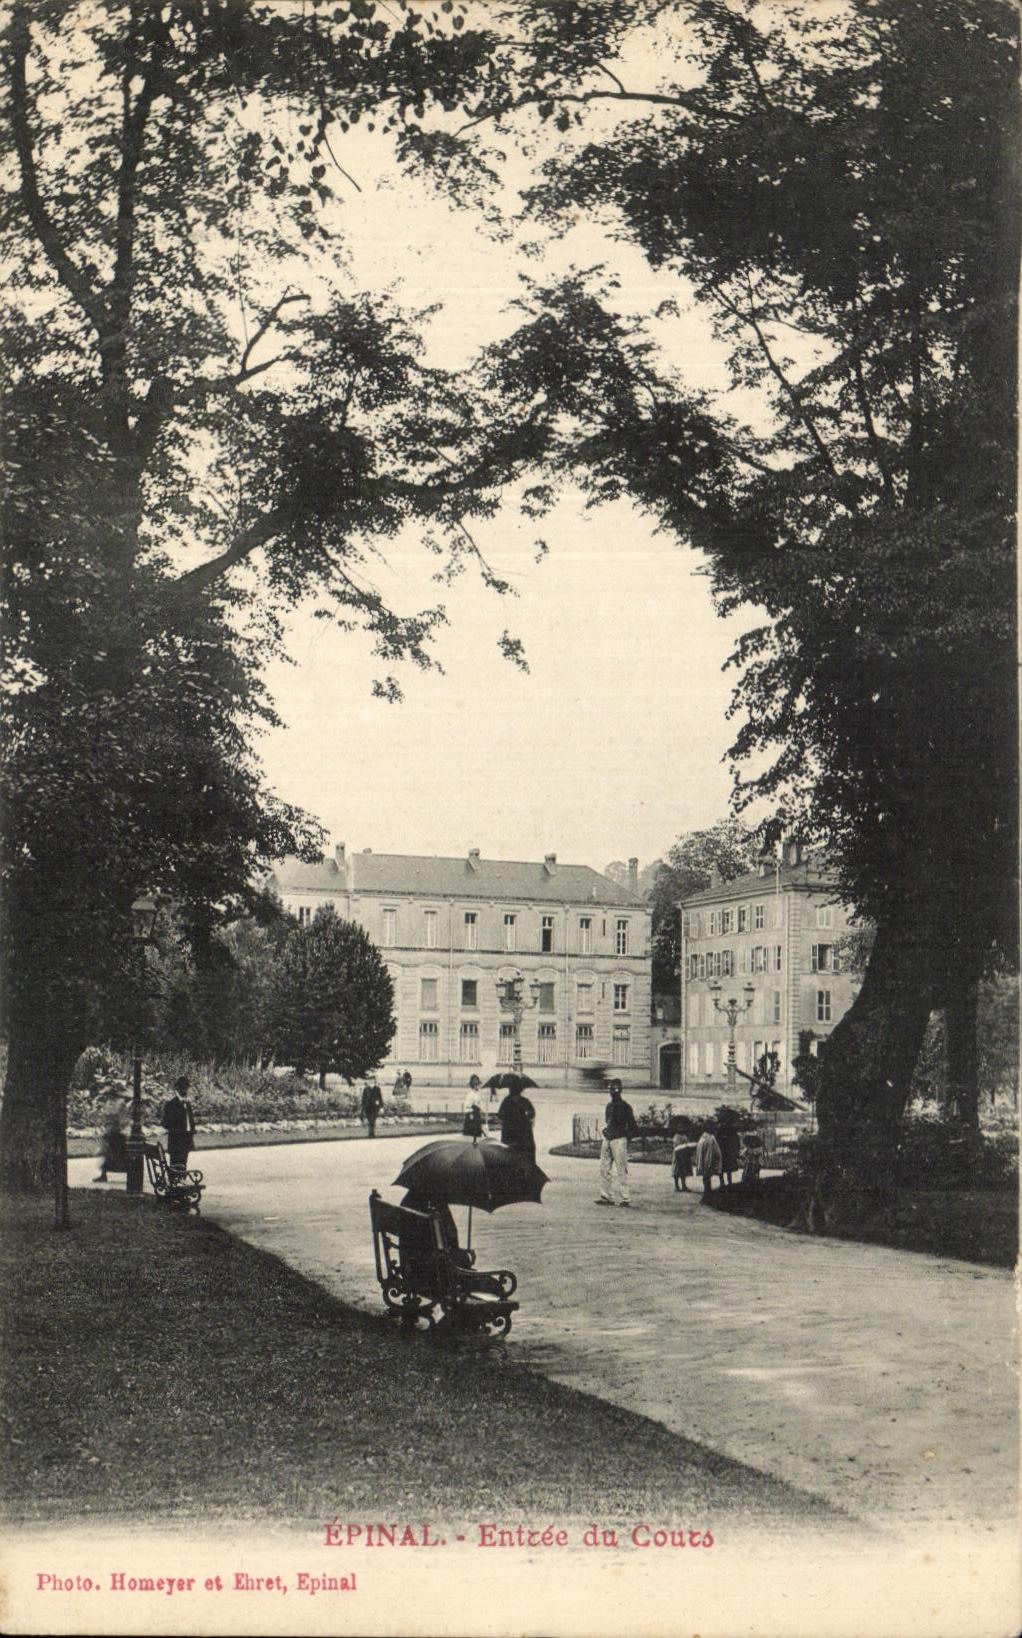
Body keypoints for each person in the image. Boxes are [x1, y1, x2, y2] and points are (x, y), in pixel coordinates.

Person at [595, 1078, 638, 1207]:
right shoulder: (609, 1106)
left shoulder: (625, 1107)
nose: (613, 1092)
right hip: (608, 1138)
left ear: (620, 1090)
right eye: (611, 1089)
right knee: (604, 1168)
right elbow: (608, 1122)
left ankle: (625, 1197)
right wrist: (606, 1131)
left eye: (615, 1089)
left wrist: (626, 1139)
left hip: (619, 1139)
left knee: (621, 1169)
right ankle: (605, 1195)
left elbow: (633, 1127)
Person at [160, 1076, 196, 1176]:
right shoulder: (171, 1104)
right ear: (179, 1089)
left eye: (186, 1088)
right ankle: (176, 1185)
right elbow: (166, 1123)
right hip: (177, 1141)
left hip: (186, 1139)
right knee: (176, 1165)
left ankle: (180, 1182)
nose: (186, 1090)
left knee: (184, 1164)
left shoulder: (186, 1103)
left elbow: (190, 1120)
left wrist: (191, 1132)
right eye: (184, 1088)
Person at [93, 1098, 129, 1183]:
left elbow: (103, 1150)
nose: (106, 1127)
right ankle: (103, 1175)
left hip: (113, 1162)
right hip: (124, 1163)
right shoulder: (122, 1136)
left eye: (107, 1125)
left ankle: (103, 1176)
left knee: (107, 1156)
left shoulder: (107, 1137)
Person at [497, 1083, 536, 1160]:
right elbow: (532, 1113)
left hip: (508, 1134)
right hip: (522, 1134)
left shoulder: (506, 1101)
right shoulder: (524, 1101)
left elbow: (500, 1115)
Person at [694, 1129, 722, 1198]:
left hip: (705, 1159)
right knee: (707, 1176)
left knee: (706, 1176)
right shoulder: (710, 1138)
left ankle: (707, 1191)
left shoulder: (704, 1138)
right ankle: (707, 1191)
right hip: (708, 1159)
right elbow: (714, 1150)